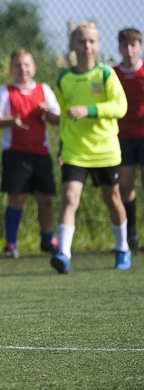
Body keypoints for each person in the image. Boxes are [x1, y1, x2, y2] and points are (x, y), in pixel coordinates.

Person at [51, 23, 130, 274]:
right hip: (75, 150)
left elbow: (120, 107)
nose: (87, 46)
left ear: (98, 45)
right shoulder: (64, 79)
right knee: (70, 198)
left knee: (112, 198)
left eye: (92, 41)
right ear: (72, 46)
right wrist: (62, 145)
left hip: (105, 149)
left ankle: (122, 248)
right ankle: (63, 254)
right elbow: (64, 117)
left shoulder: (106, 75)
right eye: (82, 42)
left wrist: (90, 110)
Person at [0, 49, 61, 258]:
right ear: (11, 69)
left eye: (27, 64)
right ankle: (11, 244)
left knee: (46, 198)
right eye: (18, 65)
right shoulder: (5, 91)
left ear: (34, 67)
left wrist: (47, 112)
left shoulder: (44, 90)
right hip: (15, 153)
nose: (23, 69)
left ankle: (47, 239)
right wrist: (10, 121)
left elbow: (58, 119)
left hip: (41, 152)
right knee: (16, 198)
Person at [114, 28, 144, 250]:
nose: (130, 50)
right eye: (125, 45)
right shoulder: (112, 73)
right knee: (125, 185)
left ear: (140, 47)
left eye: (134, 45)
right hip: (122, 137)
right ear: (119, 48)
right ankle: (130, 232)